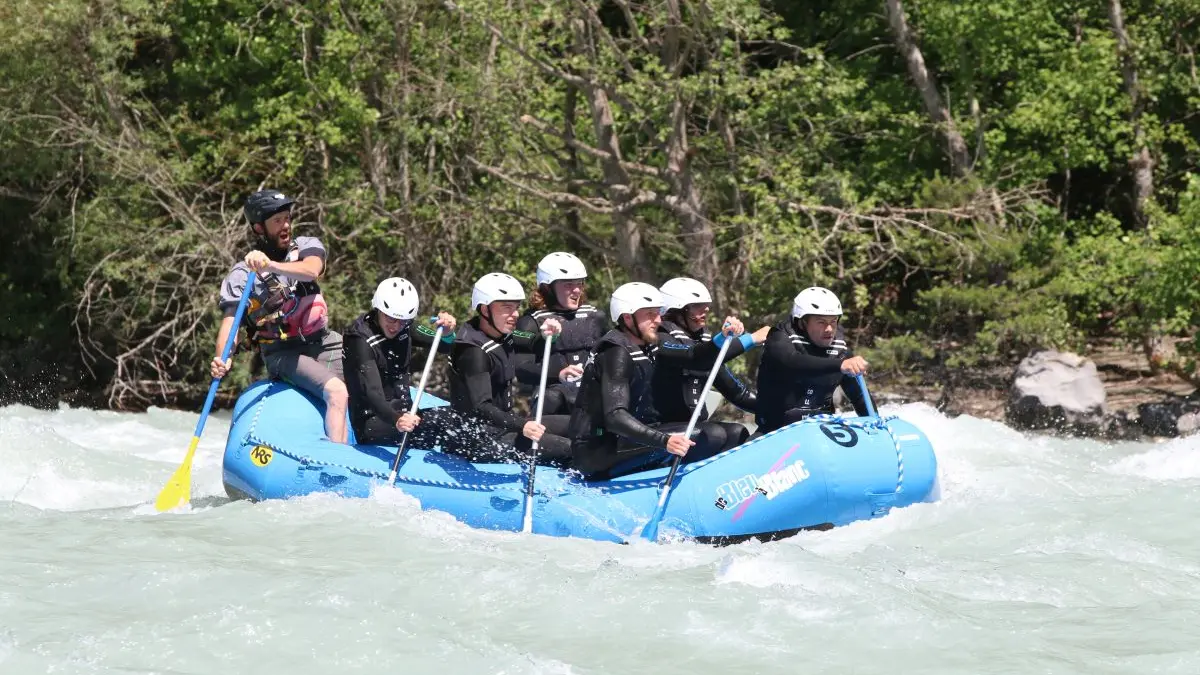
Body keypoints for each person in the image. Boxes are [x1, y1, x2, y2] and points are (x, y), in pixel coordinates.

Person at [567, 282, 750, 480]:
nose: (658, 320)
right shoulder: (616, 352)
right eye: (649, 314)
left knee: (735, 432)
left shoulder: (649, 343)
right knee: (711, 435)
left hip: (630, 438)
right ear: (627, 318)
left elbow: (693, 356)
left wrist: (722, 337)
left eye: (658, 312)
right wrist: (665, 441)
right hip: (599, 448)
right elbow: (615, 417)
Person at [211, 189, 349, 443]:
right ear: (259, 229)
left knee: (370, 364)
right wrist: (222, 357)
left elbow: (311, 272)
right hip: (283, 353)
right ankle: (335, 469)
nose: (286, 226)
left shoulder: (307, 246)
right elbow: (230, 324)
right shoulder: (241, 277)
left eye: (287, 218)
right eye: (277, 221)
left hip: (324, 341)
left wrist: (270, 265)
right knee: (337, 391)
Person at [445, 272, 573, 464]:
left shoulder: (501, 333)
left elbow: (536, 343)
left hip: (504, 425)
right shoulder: (473, 352)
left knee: (579, 424)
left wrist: (550, 335)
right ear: (485, 310)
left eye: (516, 307)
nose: (514, 315)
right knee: (568, 448)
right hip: (479, 440)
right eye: (506, 308)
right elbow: (481, 407)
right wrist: (523, 425)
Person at [654, 277, 768, 451]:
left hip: (693, 429)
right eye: (697, 305)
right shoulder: (659, 340)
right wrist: (751, 339)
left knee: (738, 432)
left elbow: (738, 394)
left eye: (705, 304)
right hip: (659, 433)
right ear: (677, 309)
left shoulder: (704, 344)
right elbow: (696, 358)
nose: (706, 309)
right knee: (714, 434)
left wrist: (778, 407)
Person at [341, 277, 458, 445]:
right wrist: (397, 420)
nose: (396, 326)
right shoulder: (359, 340)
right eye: (391, 319)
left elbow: (446, 346)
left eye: (403, 320)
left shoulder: (406, 326)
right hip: (375, 422)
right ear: (379, 310)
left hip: (408, 416)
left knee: (459, 414)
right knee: (440, 422)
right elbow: (372, 394)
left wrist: (447, 333)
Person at [755, 286, 870, 434]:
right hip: (774, 433)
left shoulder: (840, 350)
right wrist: (840, 365)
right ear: (802, 323)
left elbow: (859, 398)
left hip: (822, 433)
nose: (829, 329)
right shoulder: (779, 339)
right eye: (821, 322)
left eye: (833, 321)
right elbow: (792, 362)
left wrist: (874, 428)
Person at [513, 252, 609, 415]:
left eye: (580, 283)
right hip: (554, 406)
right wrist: (558, 374)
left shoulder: (595, 317)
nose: (577, 290)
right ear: (547, 288)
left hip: (591, 402)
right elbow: (521, 370)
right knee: (553, 397)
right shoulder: (529, 323)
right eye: (568, 285)